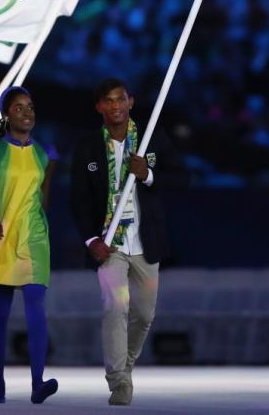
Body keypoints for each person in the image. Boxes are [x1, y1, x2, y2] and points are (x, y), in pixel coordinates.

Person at [69, 78, 175, 406]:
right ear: (99, 106)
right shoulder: (87, 147)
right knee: (115, 306)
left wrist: (147, 175)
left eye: (120, 99)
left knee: (143, 315)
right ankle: (118, 381)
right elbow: (78, 200)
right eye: (108, 101)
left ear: (131, 101)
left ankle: (125, 366)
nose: (115, 106)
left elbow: (178, 177)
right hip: (109, 245)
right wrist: (91, 241)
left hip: (145, 243)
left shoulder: (151, 138)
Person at [0, 86, 59, 404]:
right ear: (6, 115)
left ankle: (38, 383)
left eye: (31, 107)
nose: (27, 112)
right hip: (1, 235)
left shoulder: (46, 153)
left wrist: (38, 228)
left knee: (36, 306)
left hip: (34, 235)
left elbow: (44, 198)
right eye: (20, 107)